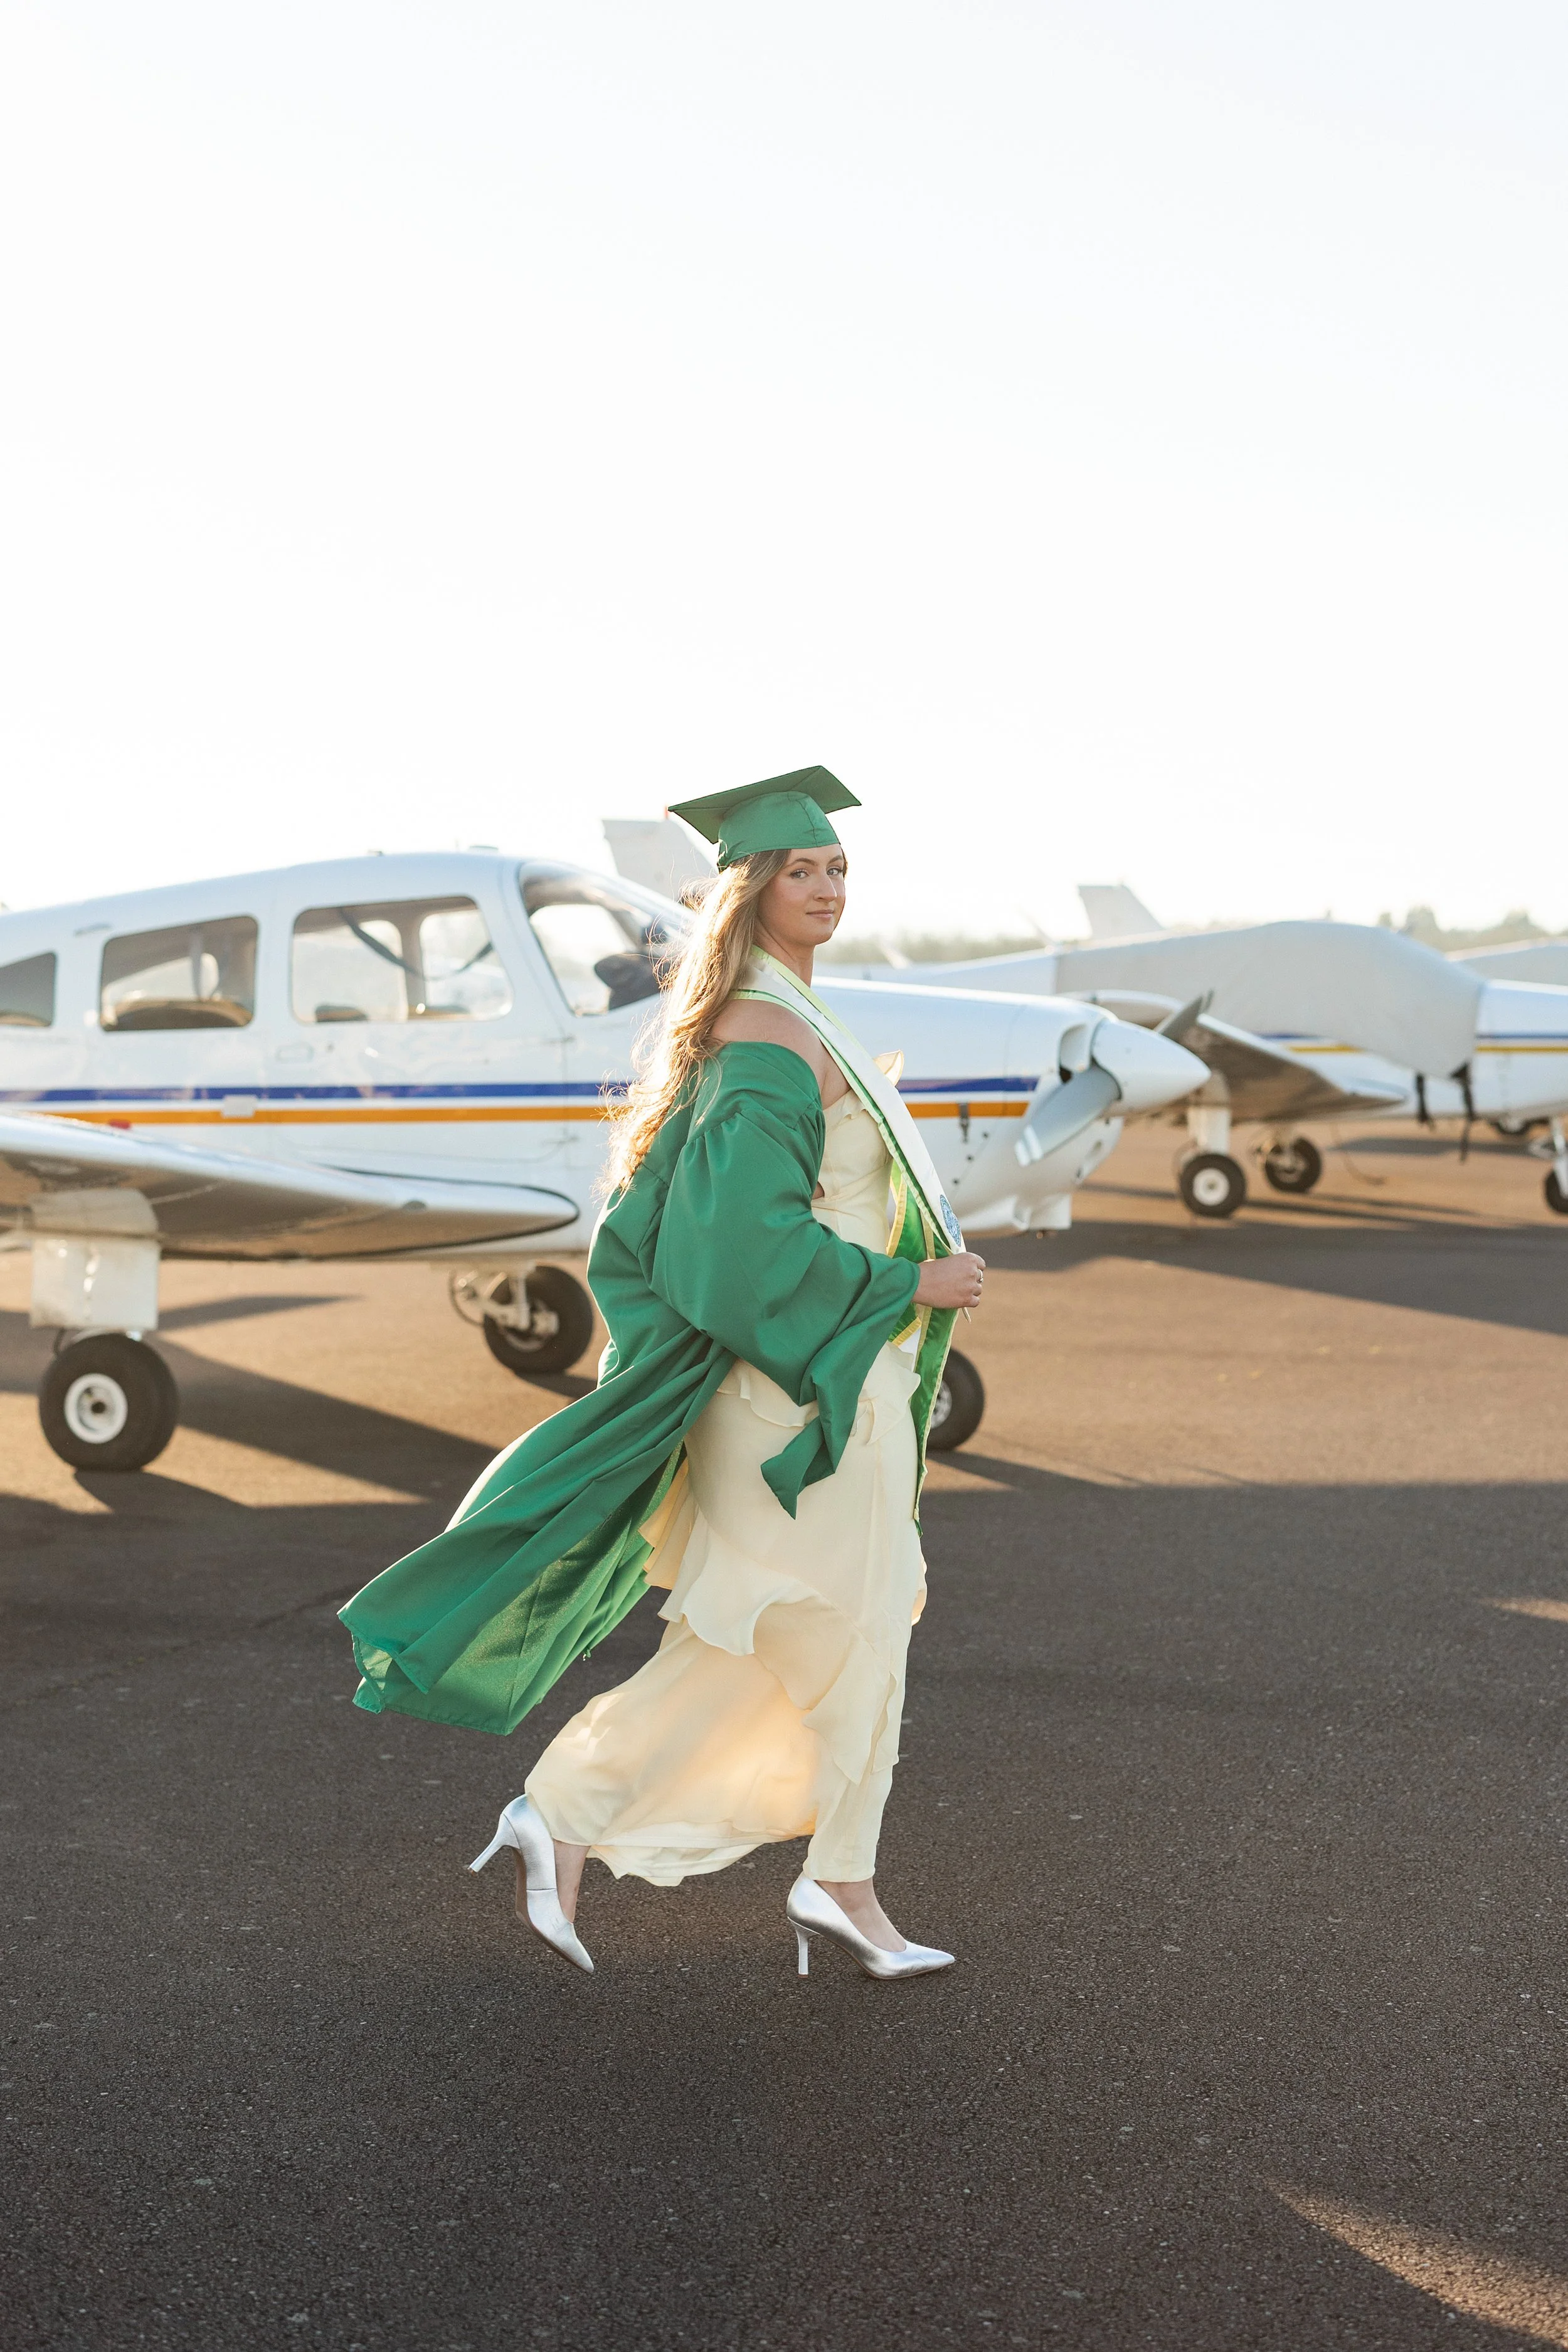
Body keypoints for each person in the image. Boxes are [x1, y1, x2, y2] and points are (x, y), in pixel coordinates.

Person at [340, 766, 985, 1981]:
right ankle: (587, 1814)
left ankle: (828, 1876)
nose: (826, 886)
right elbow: (733, 1254)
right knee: (809, 1632)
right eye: (800, 869)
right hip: (790, 1393)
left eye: (836, 867)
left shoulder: (795, 1015)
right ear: (747, 890)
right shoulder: (768, 1038)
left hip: (842, 1387)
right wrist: (909, 1286)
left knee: (846, 1631)